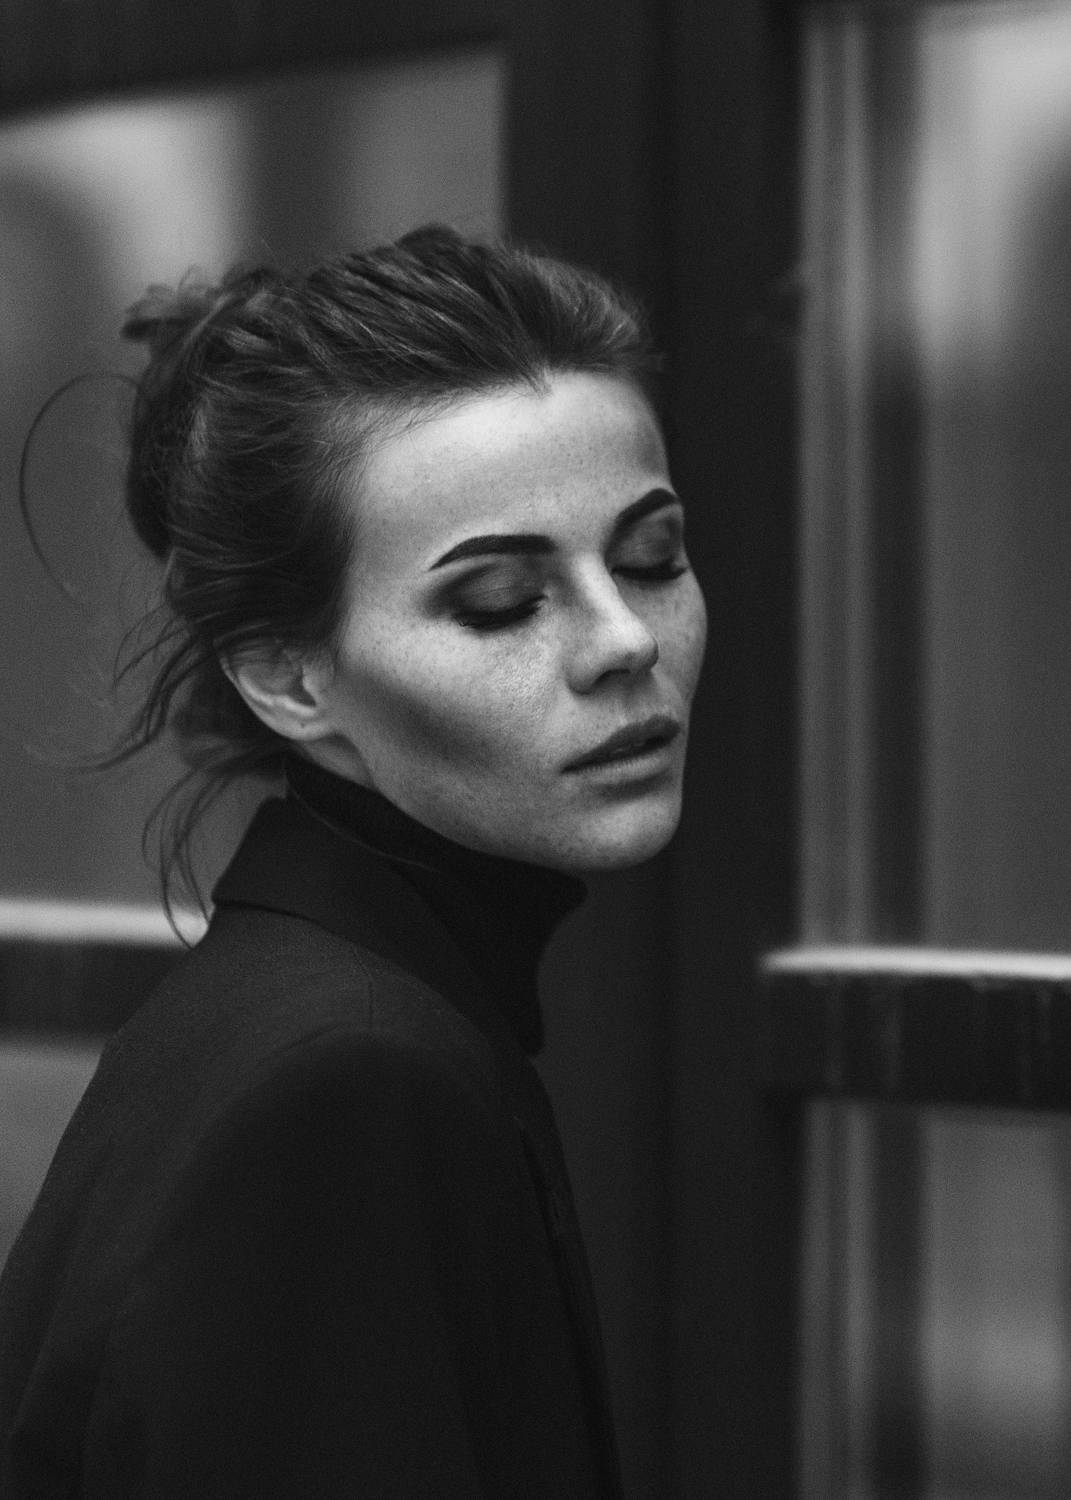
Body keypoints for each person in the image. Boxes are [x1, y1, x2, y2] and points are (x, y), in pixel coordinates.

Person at [0, 225, 706, 1497]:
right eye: (500, 600)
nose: (625, 641)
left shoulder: (324, 1020)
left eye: (651, 557)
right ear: (287, 677)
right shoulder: (345, 1077)